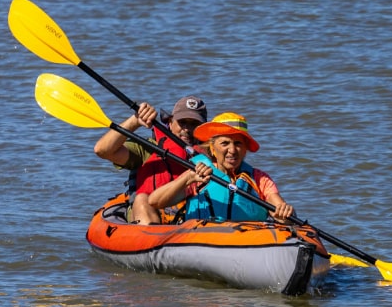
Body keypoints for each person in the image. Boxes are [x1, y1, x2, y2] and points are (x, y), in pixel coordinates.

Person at [148, 112, 295, 223]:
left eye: (238, 143)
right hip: (203, 241)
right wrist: (188, 178)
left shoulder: (259, 179)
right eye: (225, 143)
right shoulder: (197, 172)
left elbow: (278, 206)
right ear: (212, 148)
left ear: (245, 149)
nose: (232, 150)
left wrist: (285, 212)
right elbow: (155, 201)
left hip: (249, 242)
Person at [93, 95, 208, 224]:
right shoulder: (149, 148)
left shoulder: (214, 153)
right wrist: (135, 121)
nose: (187, 129)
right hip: (151, 215)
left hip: (195, 215)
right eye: (182, 122)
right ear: (170, 122)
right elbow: (102, 150)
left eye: (194, 124)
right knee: (142, 199)